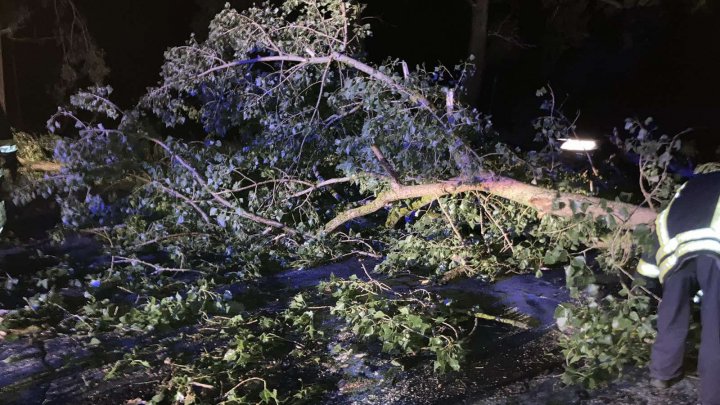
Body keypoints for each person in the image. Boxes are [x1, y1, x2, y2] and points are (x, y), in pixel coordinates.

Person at [637, 169, 720, 405]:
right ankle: (714, 396)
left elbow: (659, 227)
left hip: (675, 251)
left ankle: (663, 373)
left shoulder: (685, 190)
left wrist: (640, 287)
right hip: (716, 247)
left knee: (672, 309)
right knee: (716, 324)